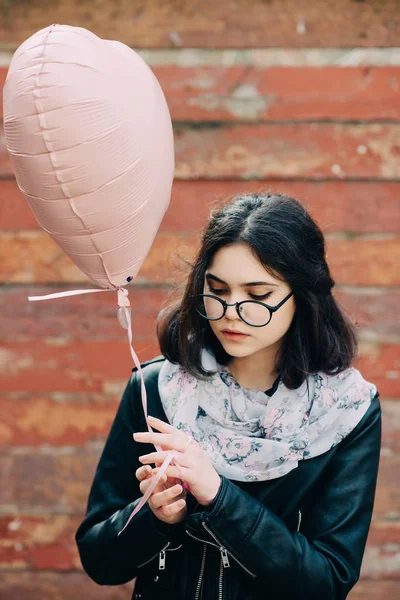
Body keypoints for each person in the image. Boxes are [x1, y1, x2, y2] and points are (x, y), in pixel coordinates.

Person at [75, 193, 381, 600]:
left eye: (258, 296)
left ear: (303, 295)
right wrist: (155, 518)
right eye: (217, 289)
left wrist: (218, 496)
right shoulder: (156, 388)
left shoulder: (347, 412)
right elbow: (99, 562)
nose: (231, 310)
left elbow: (327, 581)